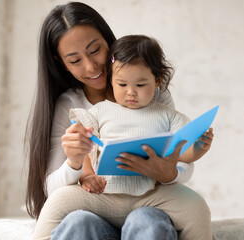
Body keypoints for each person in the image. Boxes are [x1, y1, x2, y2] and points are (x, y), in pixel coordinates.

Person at [25, 2, 212, 240]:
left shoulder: (152, 91)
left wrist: (170, 173)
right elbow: (53, 191)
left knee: (148, 223)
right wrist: (75, 163)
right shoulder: (70, 106)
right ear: (61, 62)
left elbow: (180, 154)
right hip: (94, 204)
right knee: (78, 223)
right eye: (75, 60)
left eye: (95, 51)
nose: (91, 66)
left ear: (108, 41)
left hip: (149, 200)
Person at [69, 35, 214, 196]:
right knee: (81, 218)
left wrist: (199, 148)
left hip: (149, 196)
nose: (131, 92)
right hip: (104, 193)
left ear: (157, 80)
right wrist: (87, 176)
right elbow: (86, 151)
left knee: (147, 218)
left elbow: (180, 153)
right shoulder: (99, 111)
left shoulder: (167, 115)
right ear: (111, 80)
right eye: (122, 84)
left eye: (140, 84)